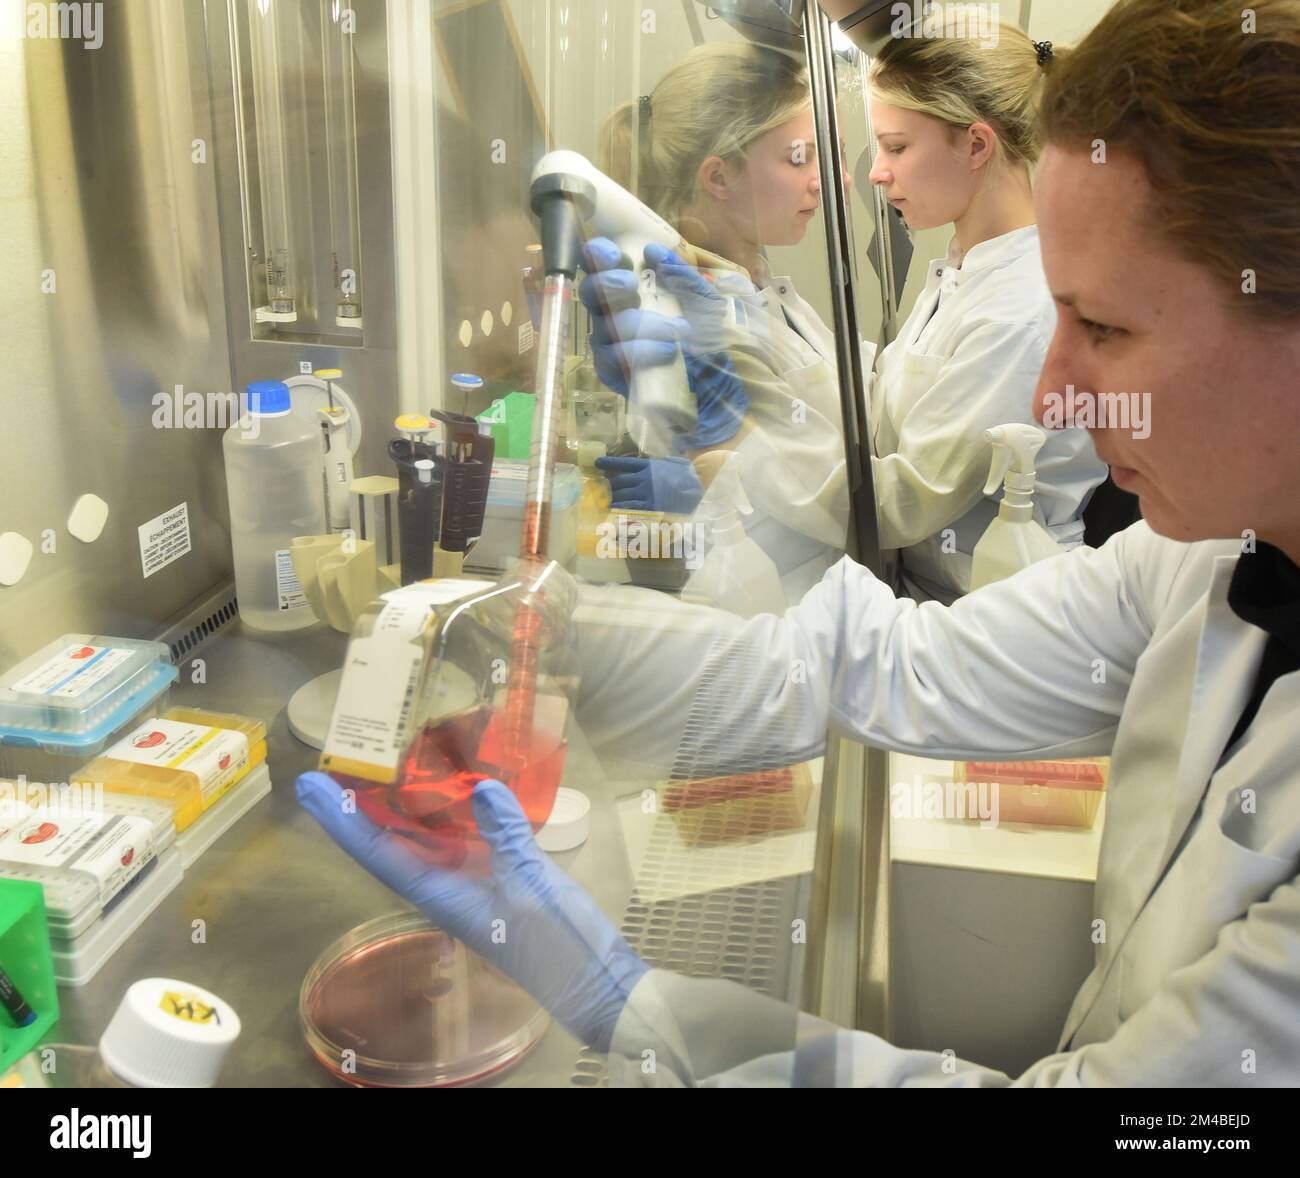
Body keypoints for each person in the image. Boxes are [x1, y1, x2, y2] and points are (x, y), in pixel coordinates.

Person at [298, 0, 1300, 1085]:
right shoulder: (1201, 559)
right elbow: (869, 664)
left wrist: (633, 1003)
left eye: (1103, 327)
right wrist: (552, 635)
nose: (1052, 396)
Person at [585, 25, 1105, 605]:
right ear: (719, 177)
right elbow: (871, 402)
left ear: (978, 146)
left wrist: (744, 434)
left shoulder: (1019, 310)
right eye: (802, 156)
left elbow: (895, 505)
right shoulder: (960, 271)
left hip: (986, 607)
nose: (869, 173)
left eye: (897, 146)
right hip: (894, 595)